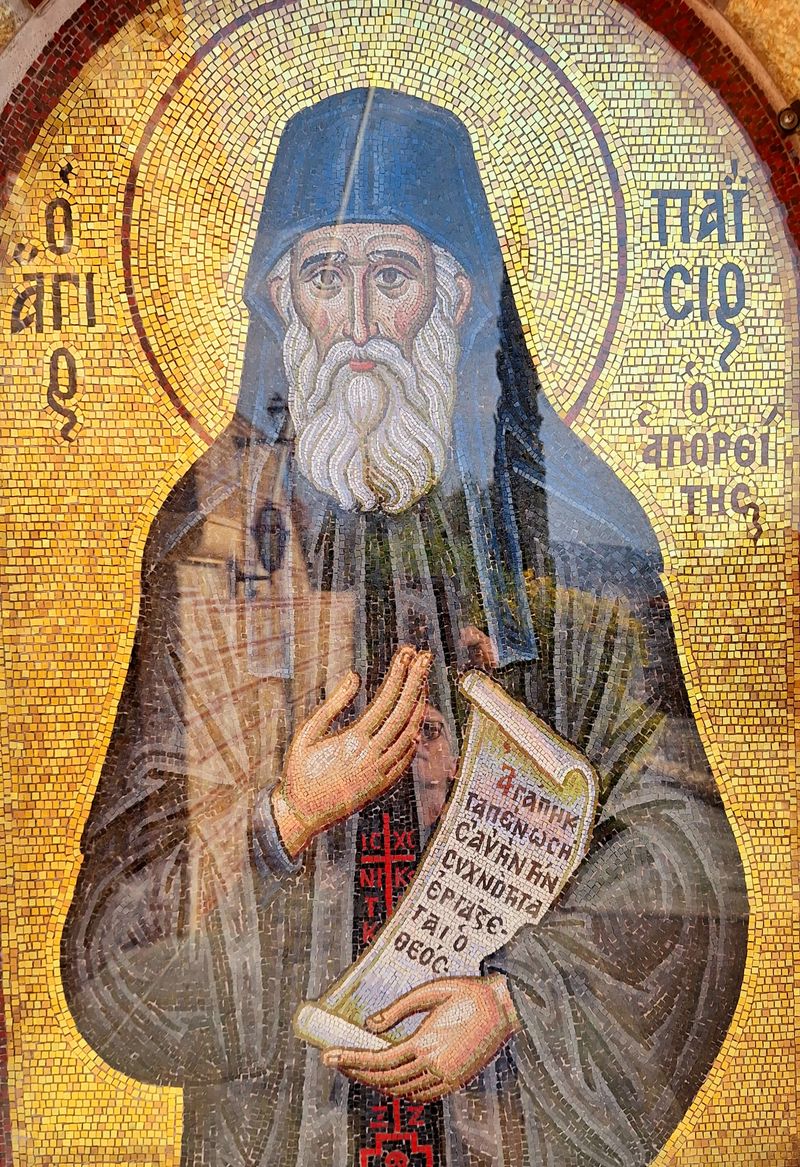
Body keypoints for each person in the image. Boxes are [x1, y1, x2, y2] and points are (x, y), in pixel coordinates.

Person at [62, 89, 748, 1167]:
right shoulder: (213, 541)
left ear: (456, 297)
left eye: (394, 274)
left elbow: (682, 859)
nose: (364, 323)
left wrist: (516, 1002)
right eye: (325, 276)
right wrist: (284, 820)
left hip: (504, 1117)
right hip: (283, 1129)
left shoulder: (575, 537)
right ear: (281, 300)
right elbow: (115, 951)